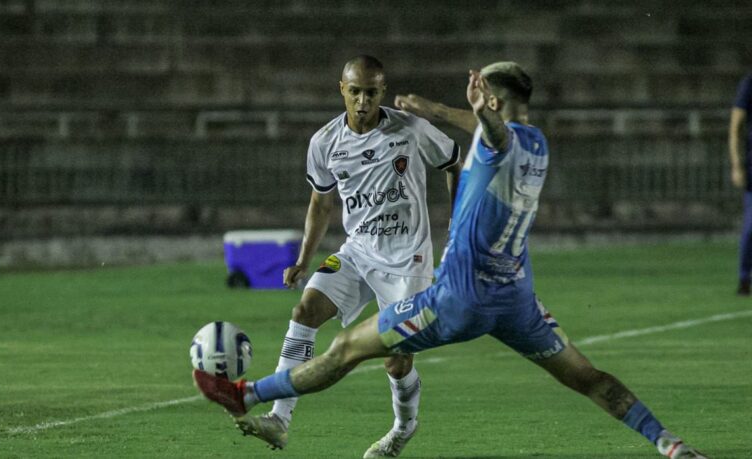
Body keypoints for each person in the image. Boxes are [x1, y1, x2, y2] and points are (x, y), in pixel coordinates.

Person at [194, 62, 706, 459]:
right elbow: (503, 136)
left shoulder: (492, 143)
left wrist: (452, 111)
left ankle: (247, 393)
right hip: (517, 299)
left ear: (494, 101)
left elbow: (492, 136)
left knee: (349, 348)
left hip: (458, 298)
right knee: (587, 377)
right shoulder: (539, 145)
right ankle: (670, 445)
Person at [235, 55, 462, 457]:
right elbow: (321, 204)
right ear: (342, 88)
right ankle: (278, 419)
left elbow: (453, 163)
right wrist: (304, 258)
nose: (362, 101)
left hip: (407, 261)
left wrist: (457, 229)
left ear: (382, 92)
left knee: (396, 361)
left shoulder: (410, 130)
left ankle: (403, 428)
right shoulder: (324, 142)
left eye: (371, 93)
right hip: (356, 253)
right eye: (354, 91)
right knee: (305, 312)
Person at [729, 72, 752, 295]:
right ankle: (744, 278)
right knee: (750, 228)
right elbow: (735, 128)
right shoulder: (749, 84)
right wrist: (736, 165)